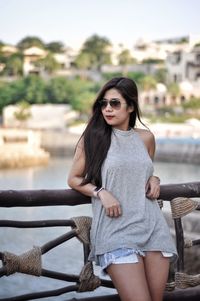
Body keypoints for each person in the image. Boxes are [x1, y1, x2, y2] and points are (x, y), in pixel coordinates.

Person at [68, 77, 177, 301]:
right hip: (115, 231)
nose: (107, 109)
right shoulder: (93, 139)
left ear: (131, 106)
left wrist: (155, 178)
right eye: (103, 103)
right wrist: (101, 192)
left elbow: (143, 172)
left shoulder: (146, 138)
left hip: (152, 227)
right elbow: (74, 179)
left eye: (115, 103)